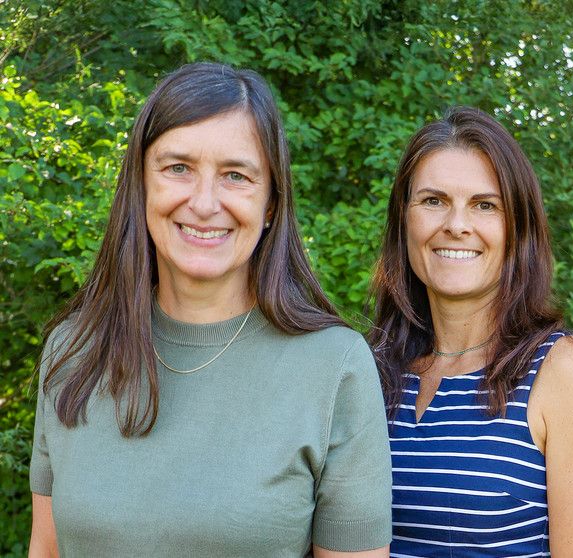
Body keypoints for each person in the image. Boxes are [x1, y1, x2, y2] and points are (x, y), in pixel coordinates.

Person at [28, 62, 391, 557]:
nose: (204, 202)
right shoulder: (73, 351)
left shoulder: (334, 368)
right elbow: (45, 550)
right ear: (141, 185)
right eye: (178, 168)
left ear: (270, 205)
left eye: (236, 176)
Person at [368, 106, 573, 556]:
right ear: (403, 218)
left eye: (485, 205)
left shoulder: (567, 373)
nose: (456, 225)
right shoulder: (370, 367)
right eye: (433, 201)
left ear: (517, 228)